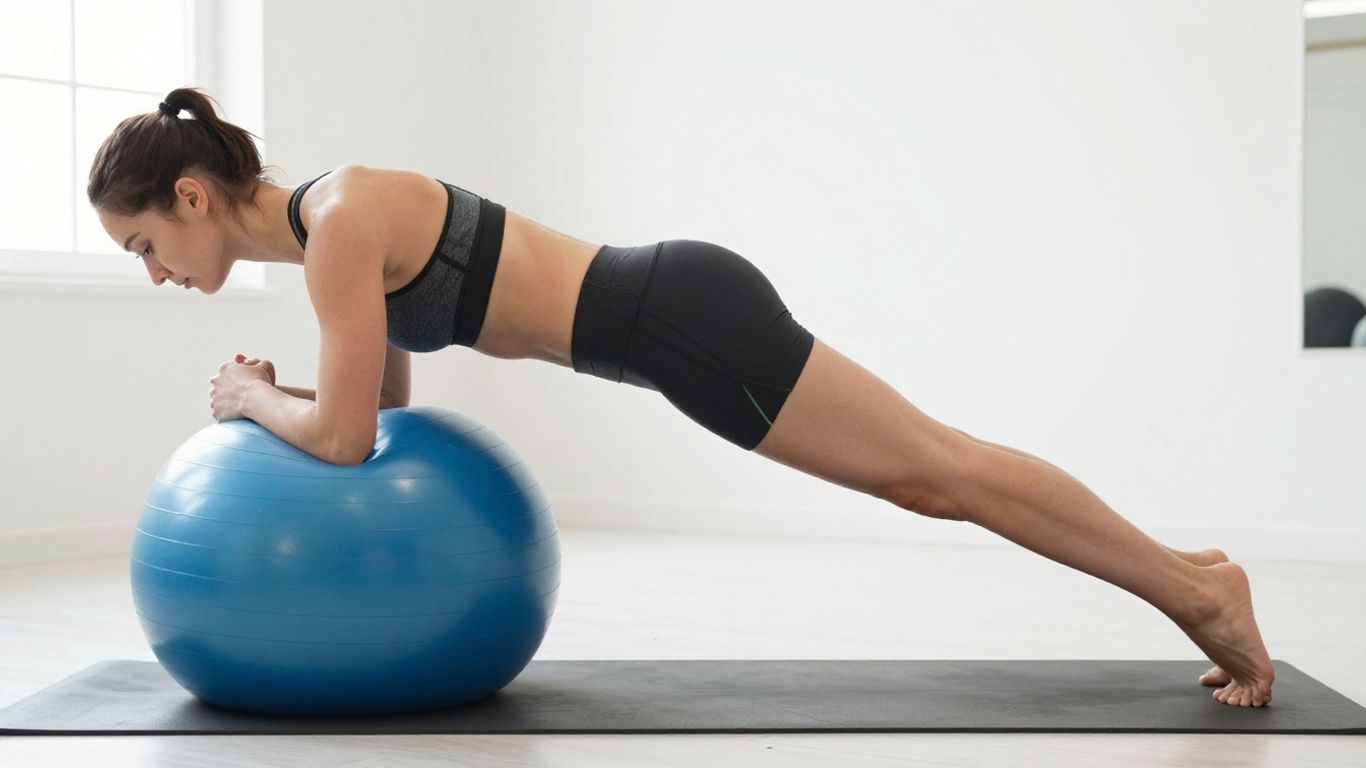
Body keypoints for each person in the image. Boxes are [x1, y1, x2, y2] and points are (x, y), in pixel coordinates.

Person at [89, 87, 1274, 707]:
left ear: (194, 197)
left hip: (679, 321)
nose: (154, 274)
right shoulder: (325, 233)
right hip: (669, 320)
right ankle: (1189, 580)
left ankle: (1194, 586)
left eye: (144, 244)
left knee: (936, 472)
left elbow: (344, 444)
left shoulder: (337, 226)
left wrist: (251, 403)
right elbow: (381, 408)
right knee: (933, 471)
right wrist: (286, 391)